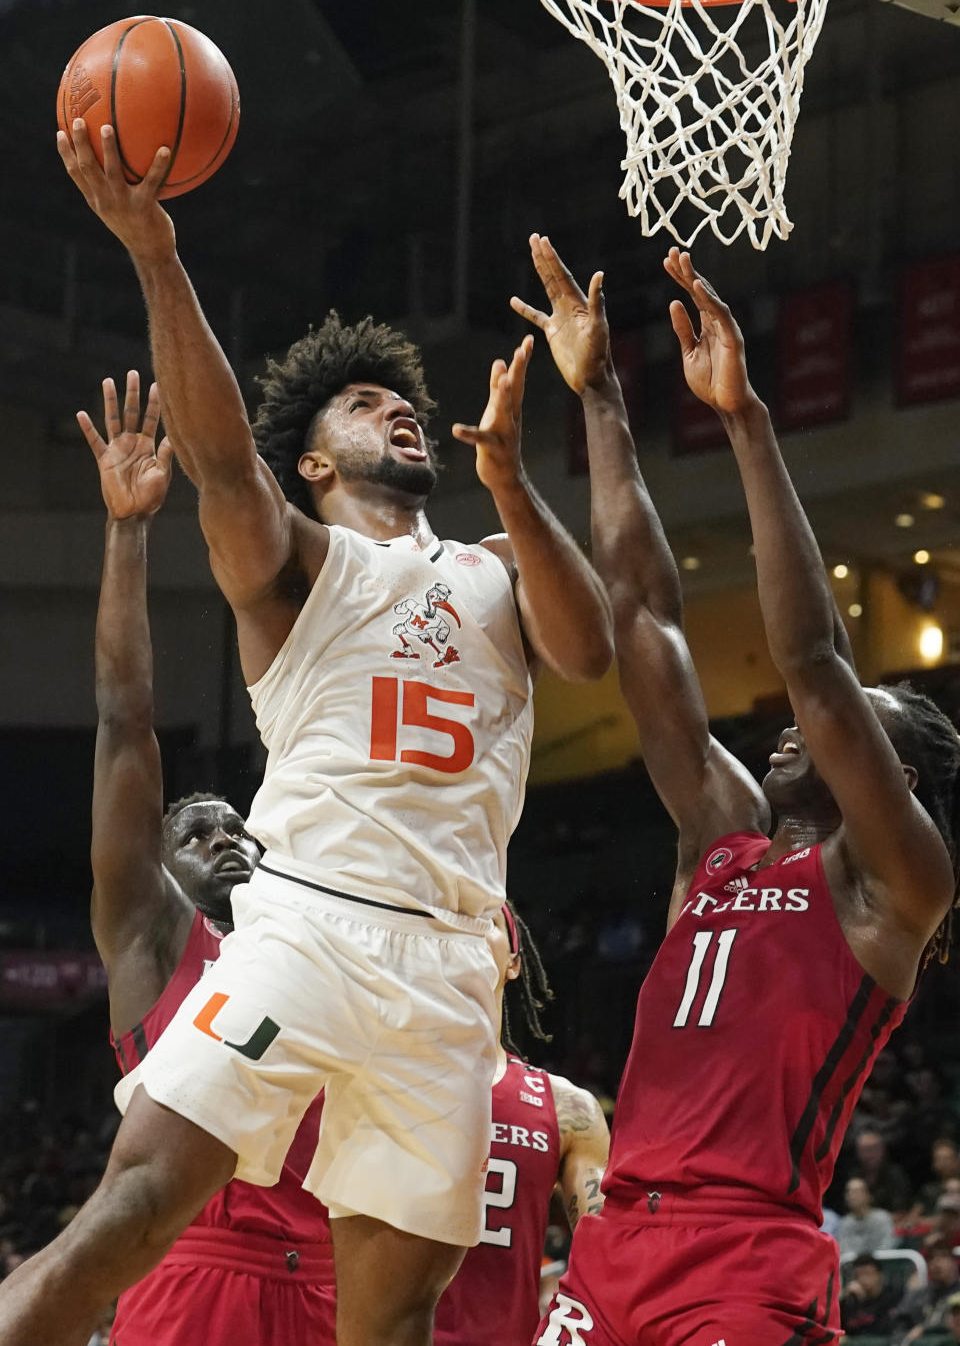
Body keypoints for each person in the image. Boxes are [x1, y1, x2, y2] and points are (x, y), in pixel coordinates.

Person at [0, 123, 613, 1346]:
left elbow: (592, 648)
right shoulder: (297, 566)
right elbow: (225, 463)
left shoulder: (499, 560)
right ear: (316, 458)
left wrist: (514, 480)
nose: (401, 410)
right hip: (310, 931)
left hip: (451, 977)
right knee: (130, 1208)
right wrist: (157, 253)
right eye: (366, 401)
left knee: (390, 1323)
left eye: (408, 402)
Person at [509, 237, 960, 1345]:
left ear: (889, 773)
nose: (794, 732)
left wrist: (749, 421)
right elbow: (644, 613)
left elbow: (814, 660)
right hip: (614, 1245)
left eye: (841, 730)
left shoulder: (891, 883)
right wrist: (604, 400)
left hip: (746, 1254)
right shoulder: (721, 836)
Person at [76, 371, 335, 1344]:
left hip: (330, 1286)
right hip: (195, 1281)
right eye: (196, 833)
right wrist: (129, 531)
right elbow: (123, 720)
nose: (227, 838)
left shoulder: (316, 942)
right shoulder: (150, 937)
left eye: (239, 828)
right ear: (159, 865)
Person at [434, 903, 609, 1346]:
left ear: (514, 962)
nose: (468, 930)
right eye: (452, 918)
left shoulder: (569, 1108)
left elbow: (608, 1255)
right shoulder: (366, 1076)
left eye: (485, 920)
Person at [892, 1236, 960, 1343]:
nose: (936, 1263)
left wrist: (924, 1329)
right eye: (931, 1258)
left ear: (954, 1262)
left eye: (942, 1257)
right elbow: (899, 1323)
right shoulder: (918, 1294)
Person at [853, 1127, 913, 1214]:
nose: (869, 1155)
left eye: (873, 1148)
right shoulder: (854, 1176)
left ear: (882, 1149)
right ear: (857, 1152)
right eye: (864, 1150)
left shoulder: (896, 1175)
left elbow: (901, 1209)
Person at [840, 1253, 900, 1338]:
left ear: (879, 1275)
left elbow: (883, 1330)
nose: (863, 1279)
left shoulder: (892, 1298)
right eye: (859, 1275)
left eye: (868, 1273)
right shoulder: (850, 1301)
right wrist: (843, 1297)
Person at [836, 1177, 895, 1256]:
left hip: (879, 1265)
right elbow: (843, 1251)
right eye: (848, 1191)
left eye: (856, 1191)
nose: (851, 1195)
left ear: (868, 1195)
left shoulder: (882, 1218)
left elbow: (887, 1245)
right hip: (852, 1267)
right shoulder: (844, 1223)